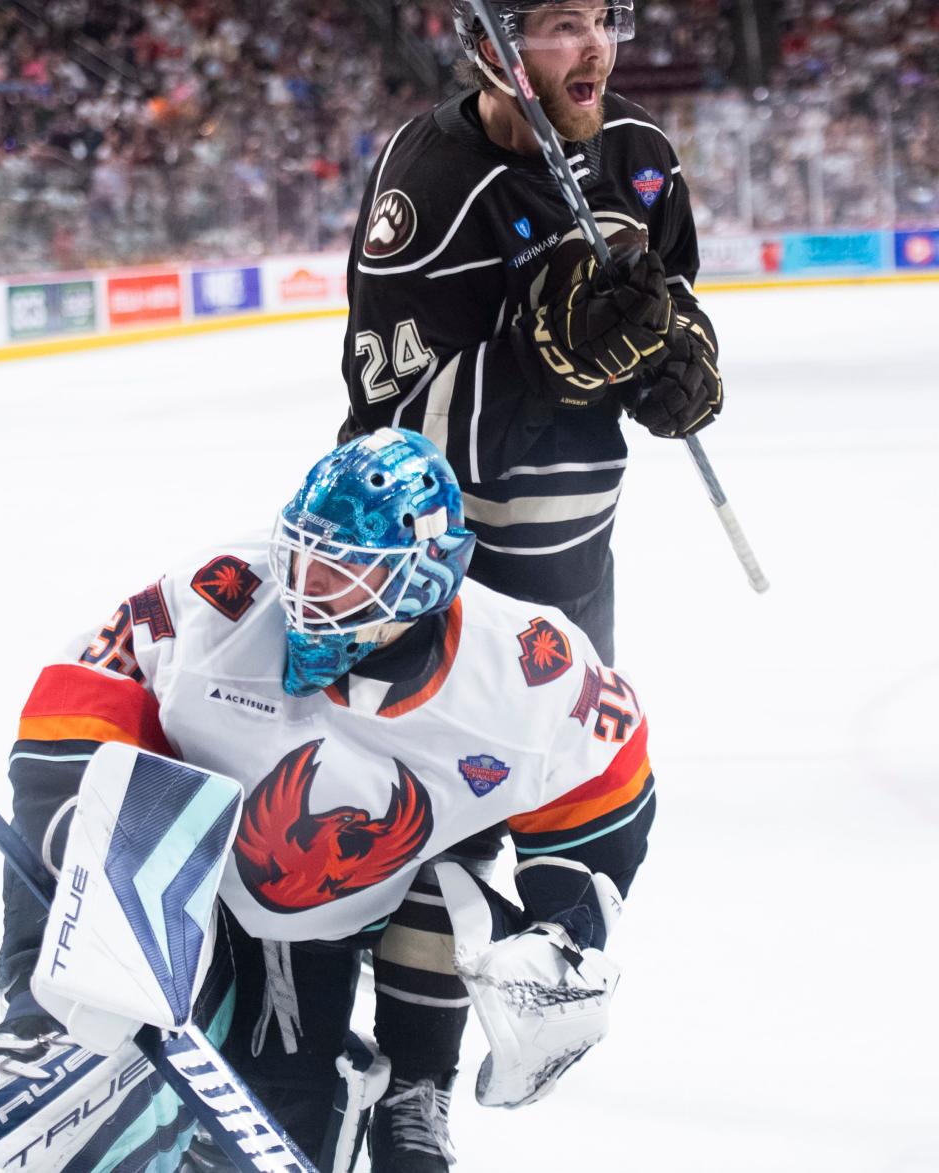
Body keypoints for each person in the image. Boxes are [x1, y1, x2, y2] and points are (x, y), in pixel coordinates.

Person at [0, 428, 656, 1172]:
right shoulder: (224, 596)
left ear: (424, 579)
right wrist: (75, 844)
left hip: (338, 911)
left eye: (339, 573)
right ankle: (41, 1023)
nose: (302, 589)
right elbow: (86, 687)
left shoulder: (524, 671)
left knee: (289, 1108)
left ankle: (410, 1084)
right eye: (301, 555)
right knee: (96, 927)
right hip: (182, 860)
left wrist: (562, 928)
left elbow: (606, 789)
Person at [338, 5, 719, 1162]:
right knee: (419, 831)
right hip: (431, 568)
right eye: (560, 24)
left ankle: (421, 1064)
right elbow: (381, 428)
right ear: (493, 43)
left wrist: (679, 366)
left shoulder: (642, 161)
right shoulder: (426, 178)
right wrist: (534, 362)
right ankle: (404, 1088)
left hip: (570, 568)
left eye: (607, 17)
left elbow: (673, 301)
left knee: (522, 814)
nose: (596, 49)